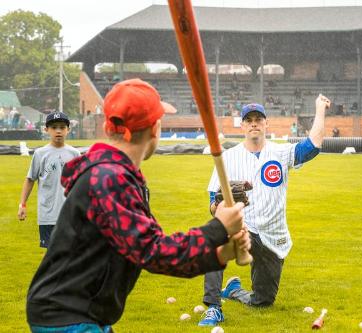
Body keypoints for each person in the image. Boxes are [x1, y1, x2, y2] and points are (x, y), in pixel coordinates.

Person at [25, 79, 251, 332]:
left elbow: (152, 248)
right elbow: (153, 251)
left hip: (81, 314)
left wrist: (220, 253)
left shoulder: (116, 175)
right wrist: (218, 228)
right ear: (156, 128)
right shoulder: (110, 179)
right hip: (68, 317)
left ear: (107, 126)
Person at [198, 94, 331, 327]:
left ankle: (234, 290)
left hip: (273, 238)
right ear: (242, 125)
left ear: (266, 124)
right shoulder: (228, 158)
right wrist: (224, 211)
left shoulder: (281, 153)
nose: (253, 123)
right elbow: (212, 203)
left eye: (258, 119)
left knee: (263, 301)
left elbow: (314, 146)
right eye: (248, 119)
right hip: (243, 231)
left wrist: (320, 109)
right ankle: (214, 308)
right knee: (215, 237)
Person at [18, 111, 80, 248]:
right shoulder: (40, 154)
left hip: (69, 214)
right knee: (51, 255)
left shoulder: (75, 154)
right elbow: (30, 179)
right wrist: (22, 205)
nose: (58, 131)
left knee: (69, 253)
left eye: (62, 127)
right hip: (47, 215)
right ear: (46, 130)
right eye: (54, 127)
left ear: (68, 130)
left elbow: (80, 183)